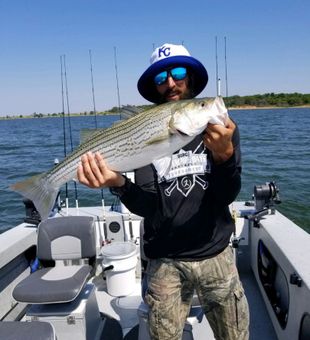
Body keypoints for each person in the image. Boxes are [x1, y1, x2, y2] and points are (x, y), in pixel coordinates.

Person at [77, 43, 249, 340]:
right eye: (161, 78)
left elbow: (227, 195)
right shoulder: (149, 131)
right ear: (155, 87)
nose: (171, 82)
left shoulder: (222, 131)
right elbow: (148, 206)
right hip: (165, 260)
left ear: (191, 77)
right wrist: (118, 183)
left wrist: (225, 156)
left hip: (216, 253)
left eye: (179, 72)